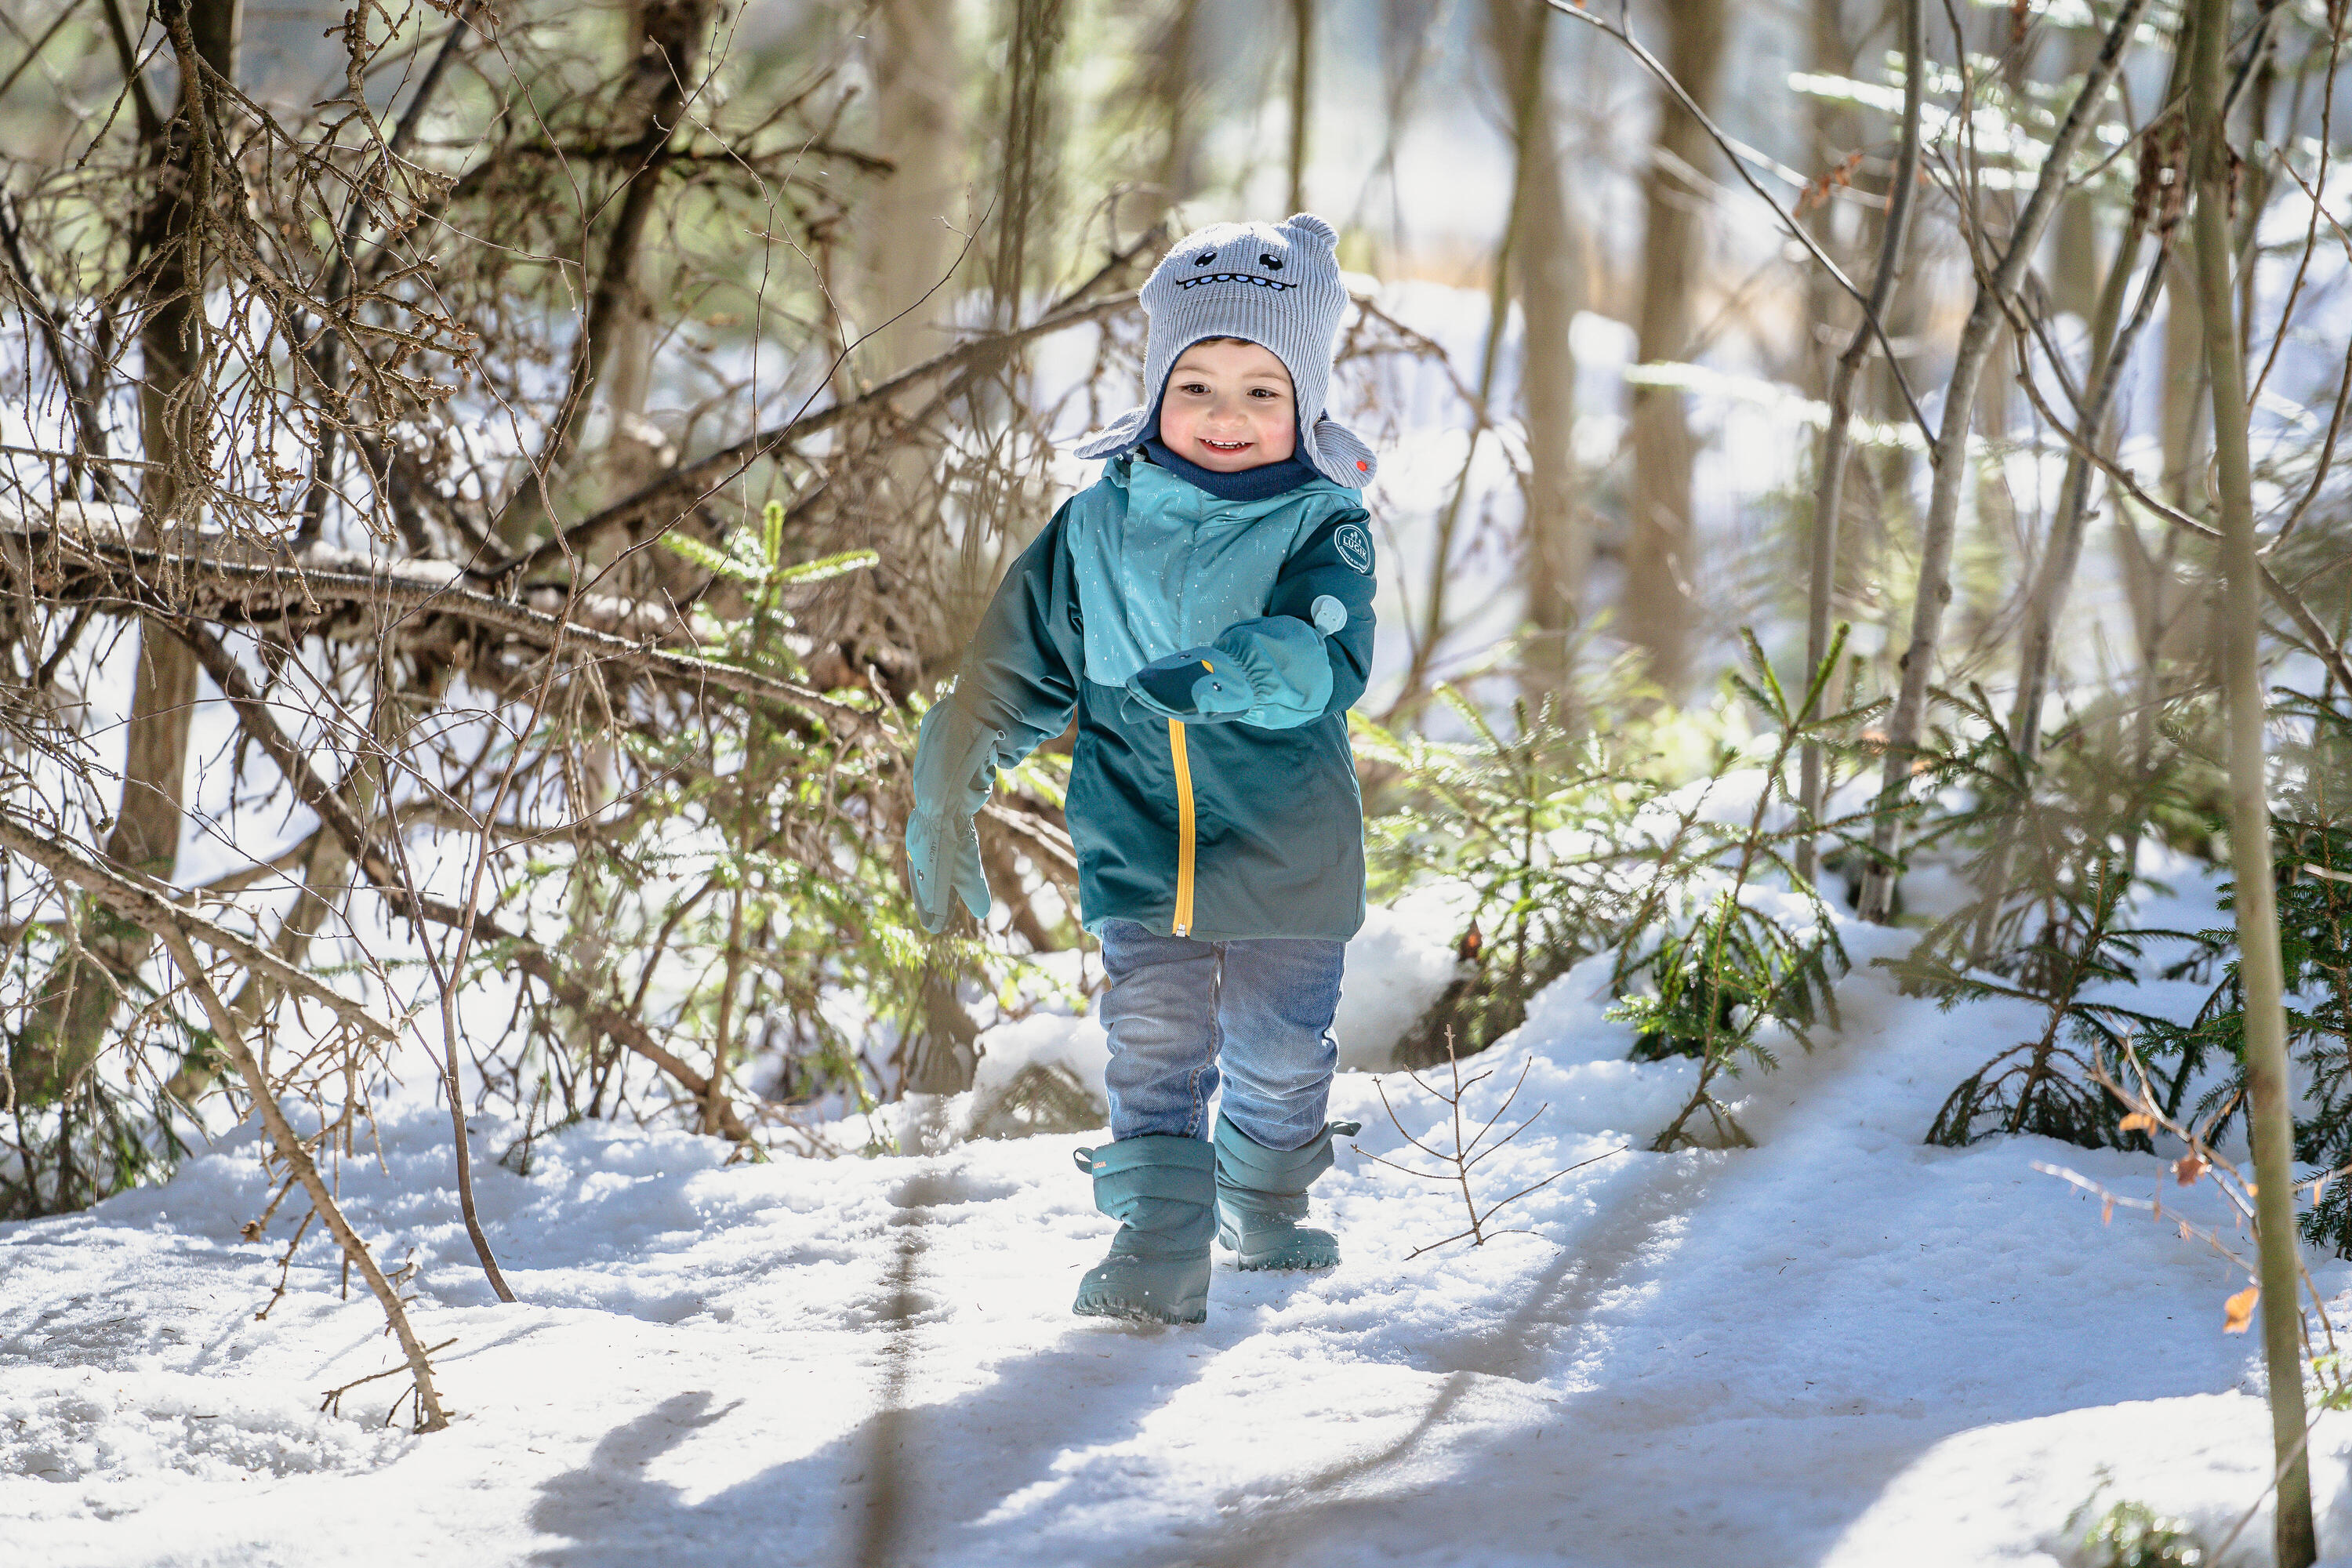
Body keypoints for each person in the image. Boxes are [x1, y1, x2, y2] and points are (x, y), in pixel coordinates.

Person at [904, 212, 1379, 1325]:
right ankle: (1159, 1245)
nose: (1226, 416)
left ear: (1304, 404)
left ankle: (1265, 1191)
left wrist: (1241, 672)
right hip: (1137, 846)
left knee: (1274, 1046)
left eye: (1261, 391)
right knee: (1153, 1045)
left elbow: (1330, 655)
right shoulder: (1090, 528)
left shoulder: (1326, 523)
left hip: (1287, 849)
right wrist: (959, 758)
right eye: (1197, 385)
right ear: (1156, 391)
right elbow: (1020, 664)